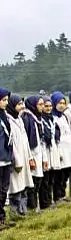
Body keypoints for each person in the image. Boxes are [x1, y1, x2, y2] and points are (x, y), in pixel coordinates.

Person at [6, 94, 34, 217]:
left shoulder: (19, 119)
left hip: (24, 157)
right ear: (12, 105)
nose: (22, 106)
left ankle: (23, 210)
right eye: (19, 104)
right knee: (15, 187)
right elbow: (11, 144)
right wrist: (16, 161)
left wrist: (30, 157)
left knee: (24, 185)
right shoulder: (8, 121)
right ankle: (15, 212)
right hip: (16, 159)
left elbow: (25, 141)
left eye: (22, 104)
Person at [23, 96, 48, 212]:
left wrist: (44, 158)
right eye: (40, 104)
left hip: (38, 154)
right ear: (33, 105)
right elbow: (27, 141)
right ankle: (32, 207)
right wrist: (30, 158)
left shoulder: (38, 118)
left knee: (38, 181)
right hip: (31, 155)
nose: (42, 107)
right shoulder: (27, 119)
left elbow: (41, 140)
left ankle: (34, 206)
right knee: (32, 183)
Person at [50, 92, 71, 204]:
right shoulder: (52, 117)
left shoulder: (64, 116)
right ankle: (57, 197)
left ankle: (63, 194)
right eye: (59, 103)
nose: (61, 105)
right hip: (59, 148)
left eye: (63, 103)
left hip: (68, 148)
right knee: (58, 175)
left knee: (66, 174)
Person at [39, 97, 61, 210]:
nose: (48, 108)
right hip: (45, 150)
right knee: (45, 179)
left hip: (53, 149)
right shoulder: (41, 120)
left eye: (50, 106)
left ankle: (50, 199)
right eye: (46, 106)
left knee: (52, 177)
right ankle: (44, 203)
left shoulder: (52, 119)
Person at [0, 88, 15, 229]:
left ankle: (2, 218)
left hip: (6, 158)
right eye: (3, 100)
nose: (6, 103)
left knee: (4, 190)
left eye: (6, 100)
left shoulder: (4, 115)